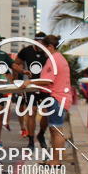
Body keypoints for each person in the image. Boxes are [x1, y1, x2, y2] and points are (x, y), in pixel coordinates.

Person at [32, 34, 72, 166]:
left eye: (43, 47)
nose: (42, 50)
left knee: (56, 130)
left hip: (57, 98)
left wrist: (28, 83)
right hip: (59, 97)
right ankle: (55, 160)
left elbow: (48, 80)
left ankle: (56, 161)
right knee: (55, 130)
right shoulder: (58, 58)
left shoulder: (53, 60)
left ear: (50, 46)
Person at [13, 32, 48, 148]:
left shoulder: (47, 52)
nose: (40, 44)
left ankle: (41, 134)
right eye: (37, 41)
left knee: (46, 112)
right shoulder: (26, 51)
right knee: (31, 112)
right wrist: (22, 72)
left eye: (42, 42)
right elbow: (15, 64)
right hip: (30, 85)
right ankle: (31, 140)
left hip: (45, 85)